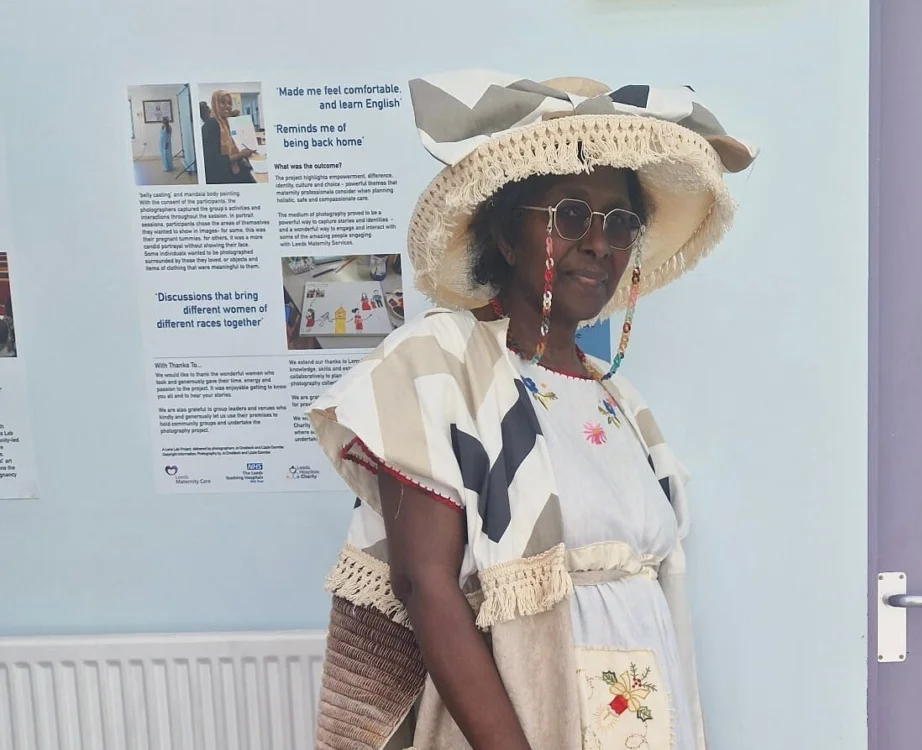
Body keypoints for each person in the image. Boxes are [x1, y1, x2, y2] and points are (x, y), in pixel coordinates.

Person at [307, 71, 756, 750]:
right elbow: (424, 584)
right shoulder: (440, 365)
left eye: (619, 222)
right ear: (507, 236)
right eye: (570, 215)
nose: (598, 243)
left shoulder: (618, 401)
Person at [200, 90, 255, 184]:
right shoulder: (211, 126)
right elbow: (213, 161)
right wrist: (241, 155)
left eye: (229, 103)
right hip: (220, 177)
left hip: (232, 168)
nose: (227, 106)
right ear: (215, 104)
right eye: (222, 102)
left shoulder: (225, 123)